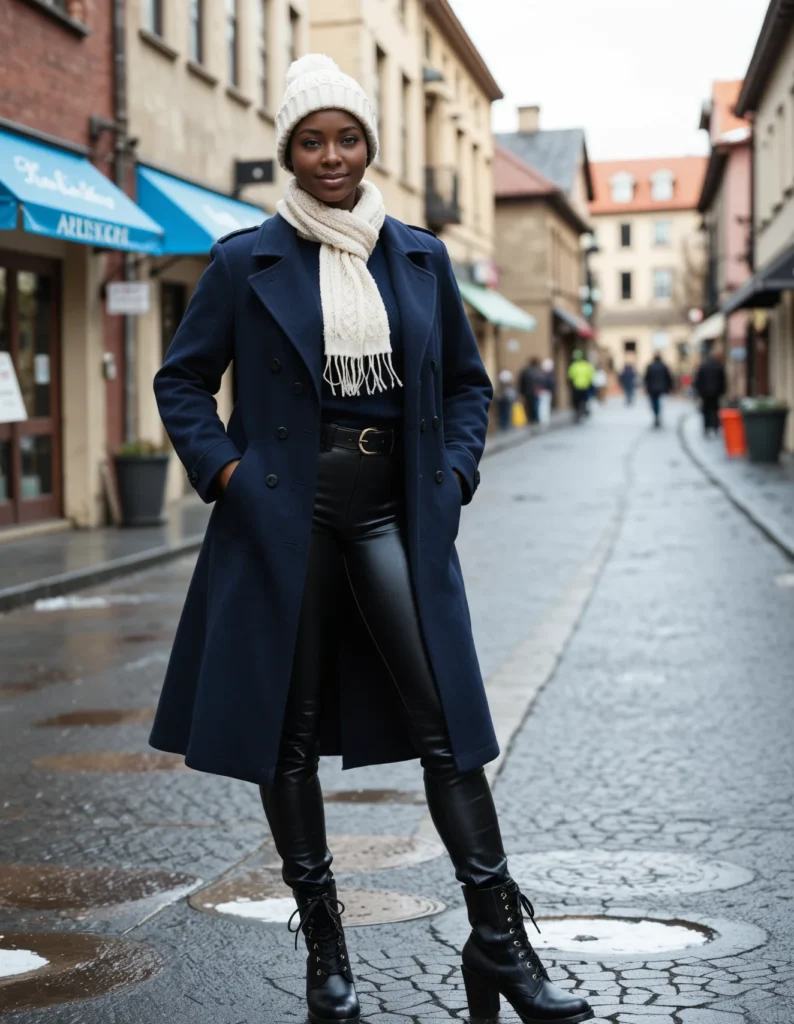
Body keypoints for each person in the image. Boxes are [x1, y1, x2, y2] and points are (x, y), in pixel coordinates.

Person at [150, 54, 593, 1024]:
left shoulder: (420, 259)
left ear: (367, 144)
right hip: (283, 515)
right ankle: (326, 955)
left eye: (345, 136)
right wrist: (225, 474)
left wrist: (455, 471)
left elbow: (469, 387)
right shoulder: (242, 259)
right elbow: (180, 380)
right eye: (311, 141)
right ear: (288, 153)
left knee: (448, 726)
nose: (331, 156)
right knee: (289, 733)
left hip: (394, 507)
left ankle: (498, 945)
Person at [694, 350, 727, 437]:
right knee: (715, 410)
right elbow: (722, 381)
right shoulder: (718, 366)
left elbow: (698, 380)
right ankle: (715, 427)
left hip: (705, 393)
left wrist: (699, 391)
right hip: (716, 393)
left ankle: (706, 427)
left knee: (706, 410)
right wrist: (722, 391)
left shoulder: (703, 366)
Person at [644, 353, 673, 428]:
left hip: (652, 388)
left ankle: (656, 415)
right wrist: (670, 387)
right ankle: (657, 415)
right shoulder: (664, 366)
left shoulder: (650, 366)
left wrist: (646, 387)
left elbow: (646, 378)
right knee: (658, 402)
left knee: (654, 402)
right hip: (661, 388)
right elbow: (668, 377)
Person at [568, 349, 595, 423]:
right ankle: (582, 411)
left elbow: (570, 376)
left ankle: (578, 413)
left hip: (576, 386)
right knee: (583, 400)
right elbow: (591, 376)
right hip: (585, 386)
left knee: (576, 401)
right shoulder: (587, 366)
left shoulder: (574, 366)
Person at [518, 356, 543, 424]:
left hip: (528, 392)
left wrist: (521, 392)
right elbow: (541, 381)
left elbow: (521, 382)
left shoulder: (526, 371)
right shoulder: (538, 371)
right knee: (535, 406)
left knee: (530, 406)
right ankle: (535, 419)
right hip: (534, 391)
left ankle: (532, 419)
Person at [537, 357, 556, 428]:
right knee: (544, 406)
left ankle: (544, 420)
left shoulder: (542, 374)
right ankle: (544, 420)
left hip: (544, 391)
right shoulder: (547, 375)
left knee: (543, 406)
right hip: (545, 391)